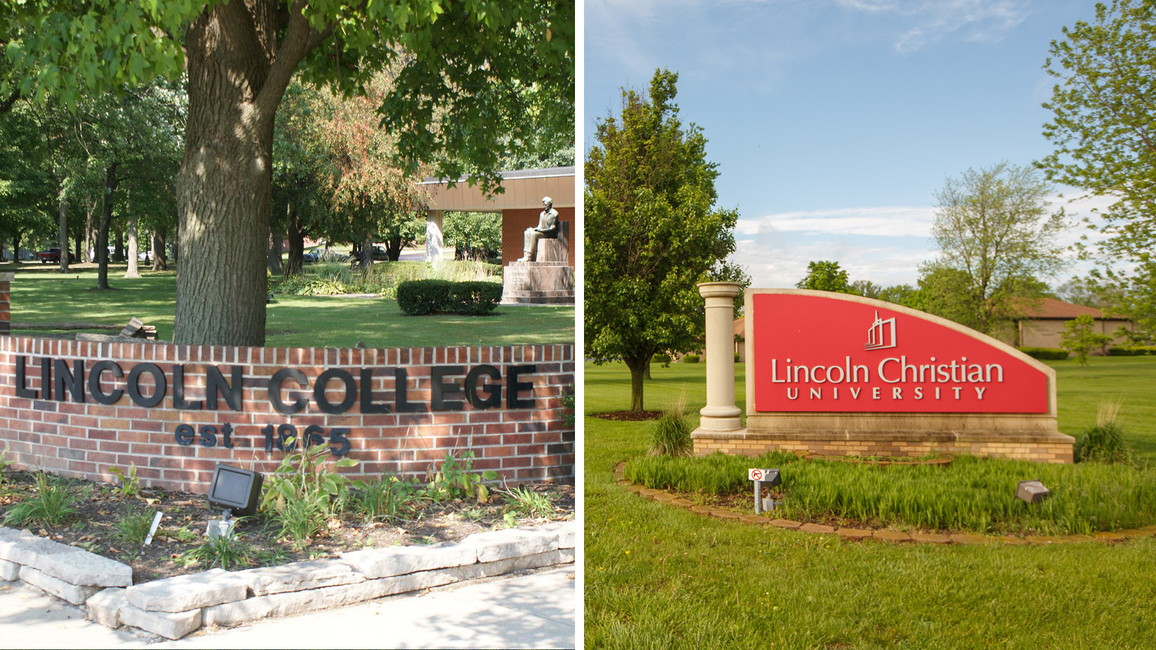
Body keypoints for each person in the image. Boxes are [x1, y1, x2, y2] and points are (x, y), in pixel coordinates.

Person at [519, 196, 560, 262]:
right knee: (527, 232)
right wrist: (533, 229)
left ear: (550, 204)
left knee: (533, 235)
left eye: (546, 204)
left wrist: (541, 230)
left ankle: (530, 257)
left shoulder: (554, 214)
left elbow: (552, 228)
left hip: (548, 233)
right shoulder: (542, 214)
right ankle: (526, 255)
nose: (544, 206)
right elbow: (539, 226)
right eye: (543, 204)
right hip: (542, 232)